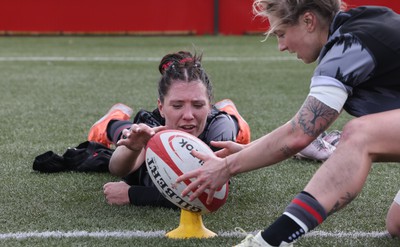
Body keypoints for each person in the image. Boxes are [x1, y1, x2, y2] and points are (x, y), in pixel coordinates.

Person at [175, 0, 400, 246]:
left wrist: (226, 167)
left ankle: (271, 241)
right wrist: (248, 150)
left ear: (308, 21)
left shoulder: (350, 45)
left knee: (361, 135)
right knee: (397, 223)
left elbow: (299, 134)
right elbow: (301, 125)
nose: (281, 46)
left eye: (281, 34)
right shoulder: (356, 29)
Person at [87, 51, 251, 208]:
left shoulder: (218, 129)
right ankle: (109, 122)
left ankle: (232, 114)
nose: (188, 115)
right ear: (161, 107)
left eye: (198, 105)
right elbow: (118, 169)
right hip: (158, 125)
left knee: (230, 123)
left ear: (209, 106)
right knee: (129, 133)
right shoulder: (151, 125)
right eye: (177, 105)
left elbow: (207, 193)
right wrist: (132, 149)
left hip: (221, 122)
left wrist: (133, 194)